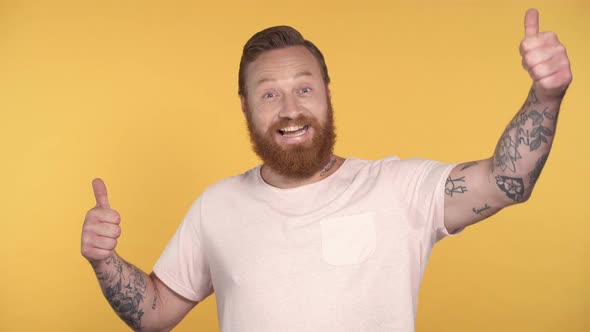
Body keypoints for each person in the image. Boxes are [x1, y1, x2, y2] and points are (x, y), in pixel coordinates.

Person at [81, 8, 571, 332]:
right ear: (246, 106)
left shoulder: (397, 188)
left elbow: (508, 181)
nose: (290, 108)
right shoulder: (217, 206)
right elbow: (154, 313)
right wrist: (105, 262)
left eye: (304, 88)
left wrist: (545, 97)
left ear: (327, 94)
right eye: (269, 93)